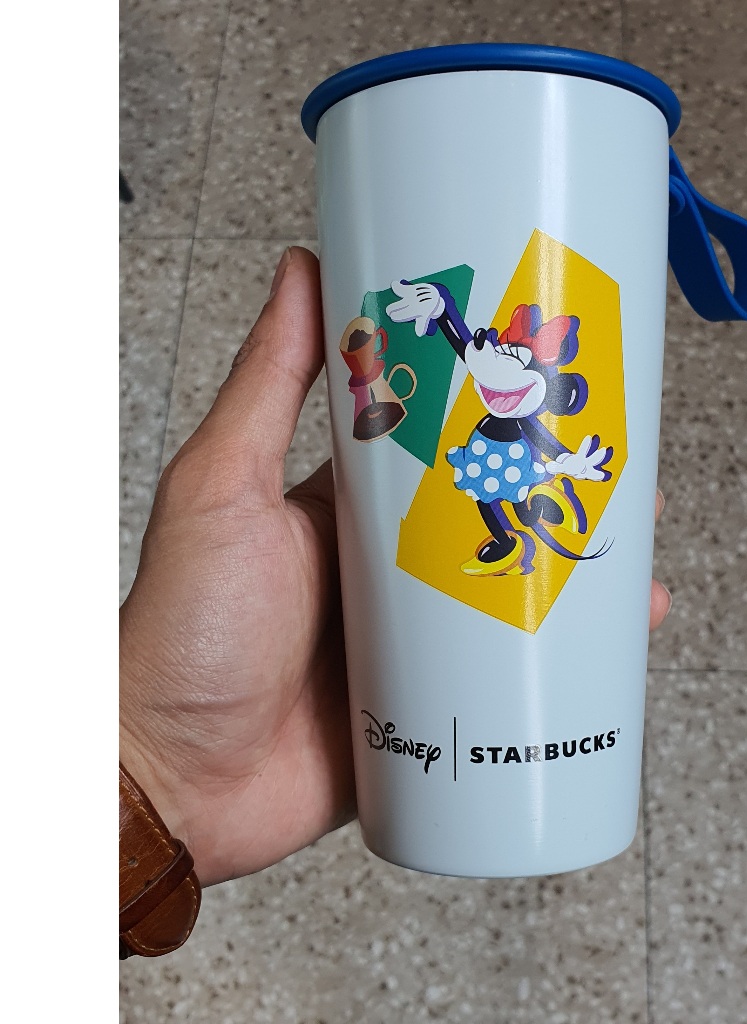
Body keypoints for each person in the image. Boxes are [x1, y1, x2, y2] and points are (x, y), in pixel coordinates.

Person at [119, 247, 672, 898]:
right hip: (413, 675)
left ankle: (515, 539)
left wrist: (157, 773)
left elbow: (540, 430)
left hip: (503, 486)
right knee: (492, 509)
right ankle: (507, 540)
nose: (494, 365)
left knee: (524, 526)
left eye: (514, 361)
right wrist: (154, 764)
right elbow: (465, 343)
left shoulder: (530, 406)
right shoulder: (489, 374)